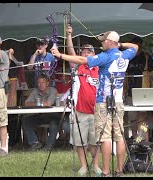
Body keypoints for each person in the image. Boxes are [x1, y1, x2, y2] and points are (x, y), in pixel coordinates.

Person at [51, 31, 138, 177]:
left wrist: (60, 55)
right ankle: (119, 171)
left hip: (103, 101)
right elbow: (135, 46)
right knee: (119, 136)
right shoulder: (126, 54)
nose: (102, 43)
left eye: (104, 41)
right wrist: (120, 44)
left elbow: (83, 60)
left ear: (110, 42)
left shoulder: (106, 56)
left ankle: (105, 172)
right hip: (118, 101)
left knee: (104, 138)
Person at [65, 24, 101, 176]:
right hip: (80, 110)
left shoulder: (99, 68)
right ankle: (83, 166)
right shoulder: (79, 67)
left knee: (95, 141)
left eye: (89, 52)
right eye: (83, 53)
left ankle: (96, 165)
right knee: (80, 141)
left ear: (94, 54)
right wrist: (68, 36)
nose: (86, 54)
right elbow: (71, 52)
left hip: (97, 110)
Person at [123, 36, 153, 140]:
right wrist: (124, 89)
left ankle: (144, 139)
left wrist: (152, 87)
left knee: (143, 116)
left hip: (144, 91)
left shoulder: (146, 57)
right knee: (132, 117)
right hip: (130, 91)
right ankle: (135, 138)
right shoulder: (128, 57)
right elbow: (125, 75)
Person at [22, 73, 60, 151]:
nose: (40, 85)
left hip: (52, 115)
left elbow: (48, 103)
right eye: (39, 83)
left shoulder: (53, 90)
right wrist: (40, 104)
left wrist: (38, 104)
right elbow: (26, 103)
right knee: (26, 120)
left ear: (47, 83)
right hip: (40, 115)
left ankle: (49, 146)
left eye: (43, 82)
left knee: (54, 123)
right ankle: (34, 143)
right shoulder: (35, 91)